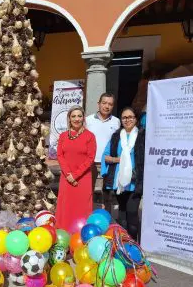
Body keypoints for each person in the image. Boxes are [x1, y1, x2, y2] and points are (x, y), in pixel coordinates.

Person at [101, 107, 145, 241]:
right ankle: (123, 244)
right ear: (121, 120)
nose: (127, 120)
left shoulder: (143, 136)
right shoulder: (116, 136)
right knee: (121, 215)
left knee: (132, 213)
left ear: (135, 119)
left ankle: (134, 244)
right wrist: (117, 160)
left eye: (130, 117)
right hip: (119, 181)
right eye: (124, 117)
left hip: (135, 181)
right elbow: (105, 156)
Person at [56, 105, 97, 233]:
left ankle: (81, 236)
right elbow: (60, 155)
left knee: (81, 208)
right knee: (66, 207)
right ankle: (64, 236)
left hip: (82, 179)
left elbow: (90, 158)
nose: (76, 119)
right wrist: (69, 174)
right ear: (69, 118)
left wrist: (75, 175)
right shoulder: (63, 136)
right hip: (66, 178)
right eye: (73, 116)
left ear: (83, 118)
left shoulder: (90, 136)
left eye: (79, 116)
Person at [85, 93, 120, 210]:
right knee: (87, 192)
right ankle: (86, 215)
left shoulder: (116, 122)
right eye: (104, 103)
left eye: (110, 104)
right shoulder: (88, 120)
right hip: (91, 162)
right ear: (98, 104)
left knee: (108, 194)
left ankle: (107, 218)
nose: (107, 106)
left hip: (108, 162)